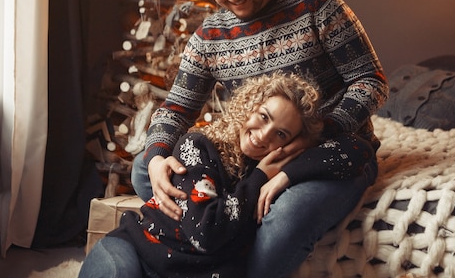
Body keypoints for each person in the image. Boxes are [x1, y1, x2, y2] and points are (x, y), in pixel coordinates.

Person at [132, 0, 389, 278]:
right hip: (253, 165)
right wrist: (158, 158)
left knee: (285, 219)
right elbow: (175, 109)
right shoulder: (209, 39)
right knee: (144, 169)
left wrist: (315, 135)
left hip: (332, 153)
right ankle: (214, 240)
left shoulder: (316, 3)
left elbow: (371, 80)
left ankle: (224, 238)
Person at [79, 72, 329, 278]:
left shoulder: (274, 176)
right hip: (136, 252)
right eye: (264, 117)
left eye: (281, 134)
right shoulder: (197, 146)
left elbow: (356, 152)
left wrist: (289, 166)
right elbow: (206, 233)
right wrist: (261, 176)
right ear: (249, 106)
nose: (264, 136)